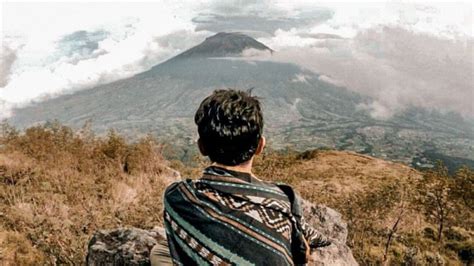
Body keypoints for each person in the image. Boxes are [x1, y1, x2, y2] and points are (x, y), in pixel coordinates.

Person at [152, 89, 330, 266]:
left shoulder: (177, 196)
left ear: (201, 147)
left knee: (159, 252)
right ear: (260, 145)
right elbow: (301, 254)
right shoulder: (281, 202)